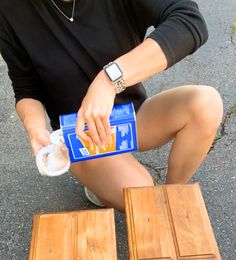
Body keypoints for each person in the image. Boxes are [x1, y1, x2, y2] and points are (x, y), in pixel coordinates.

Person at [0, 0, 223, 212]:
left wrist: (109, 80)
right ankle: (105, 179)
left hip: (131, 116)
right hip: (80, 136)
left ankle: (172, 197)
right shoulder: (10, 9)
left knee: (206, 104)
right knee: (142, 195)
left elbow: (188, 22)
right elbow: (26, 87)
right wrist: (35, 127)